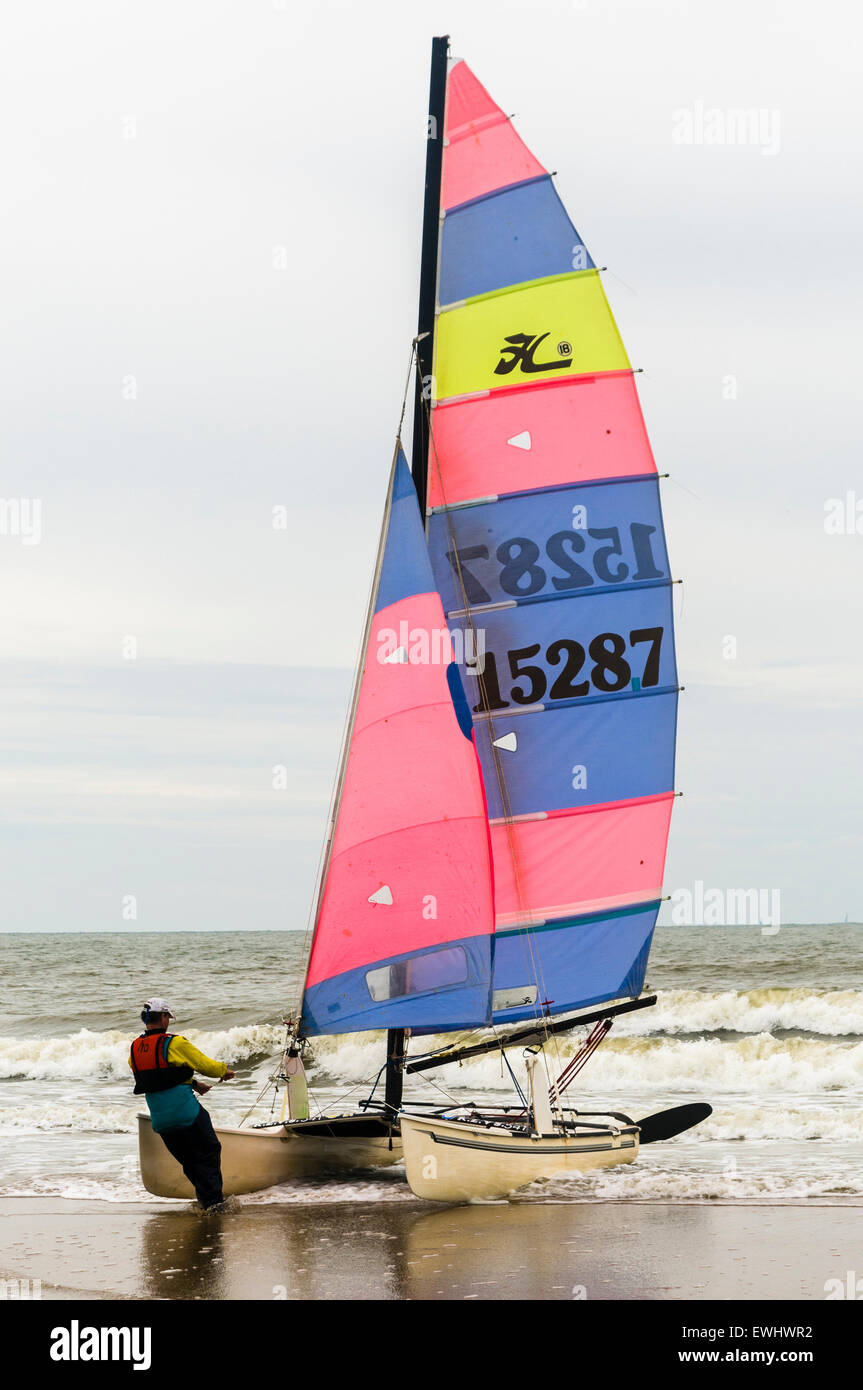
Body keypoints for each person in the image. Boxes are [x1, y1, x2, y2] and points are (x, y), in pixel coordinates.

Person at [130, 997, 235, 1210]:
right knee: (209, 1152)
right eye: (167, 1016)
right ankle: (214, 1206)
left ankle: (207, 1202)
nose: (168, 1020)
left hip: (160, 1120)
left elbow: (157, 1076)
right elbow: (208, 1066)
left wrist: (194, 1083)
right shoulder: (175, 1042)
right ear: (162, 1017)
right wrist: (225, 1071)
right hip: (186, 1113)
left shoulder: (135, 1047)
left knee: (190, 1162)